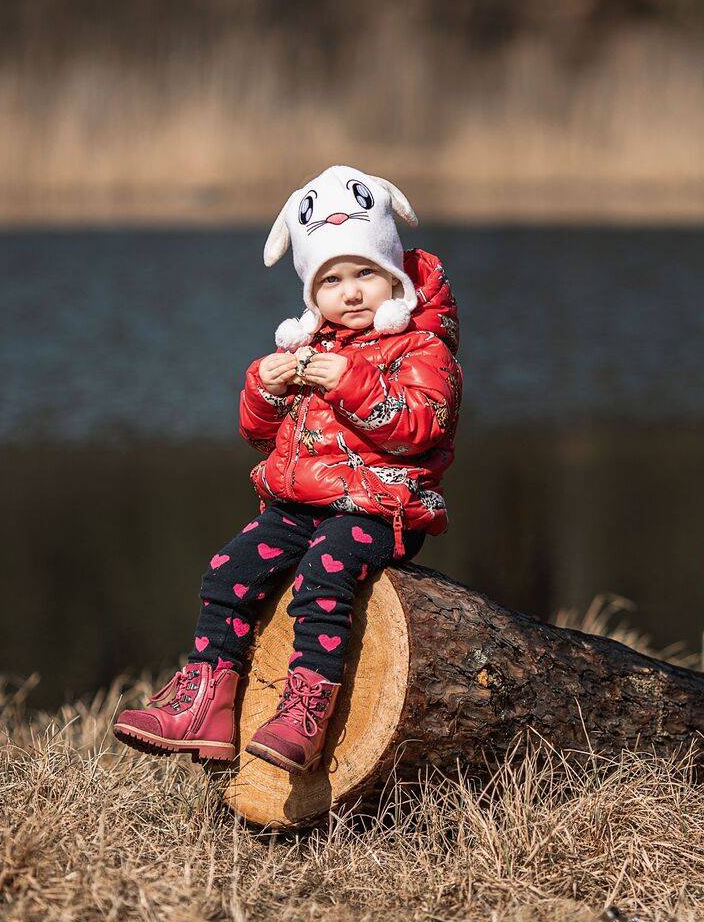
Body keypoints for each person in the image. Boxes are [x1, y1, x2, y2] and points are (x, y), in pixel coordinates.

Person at [113, 165, 461, 773]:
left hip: (380, 505)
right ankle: (206, 704)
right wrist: (266, 388)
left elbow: (417, 431)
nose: (350, 293)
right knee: (229, 568)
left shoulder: (422, 349)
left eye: (365, 275)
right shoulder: (311, 349)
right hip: (301, 501)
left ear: (394, 280)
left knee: (325, 571)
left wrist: (353, 384)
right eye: (331, 280)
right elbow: (261, 437)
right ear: (311, 294)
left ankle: (306, 711)